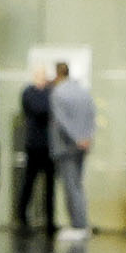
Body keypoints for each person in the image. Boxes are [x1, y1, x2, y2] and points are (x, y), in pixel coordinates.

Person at [47, 60, 95, 241]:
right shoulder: (83, 91)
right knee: (78, 186)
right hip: (83, 145)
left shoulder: (58, 93)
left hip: (66, 146)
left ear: (57, 74)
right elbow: (92, 115)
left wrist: (76, 138)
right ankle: (81, 223)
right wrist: (86, 138)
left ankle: (78, 225)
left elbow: (61, 121)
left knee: (70, 186)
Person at [11, 60, 59, 234]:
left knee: (49, 186)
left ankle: (50, 221)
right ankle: (22, 217)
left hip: (48, 145)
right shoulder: (29, 93)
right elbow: (39, 109)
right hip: (34, 145)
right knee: (29, 183)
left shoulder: (50, 92)